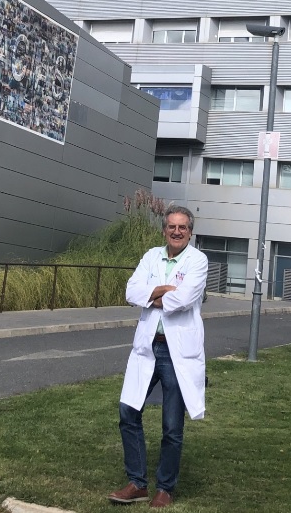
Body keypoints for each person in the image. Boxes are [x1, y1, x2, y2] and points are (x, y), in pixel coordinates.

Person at [109, 205, 208, 508]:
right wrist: (164, 289)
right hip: (147, 346)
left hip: (177, 352)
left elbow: (183, 299)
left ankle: (165, 488)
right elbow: (131, 291)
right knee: (128, 411)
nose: (177, 232)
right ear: (164, 230)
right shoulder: (151, 256)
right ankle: (137, 483)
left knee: (172, 424)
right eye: (171, 226)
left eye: (183, 227)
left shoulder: (198, 260)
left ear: (190, 232)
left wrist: (151, 295)